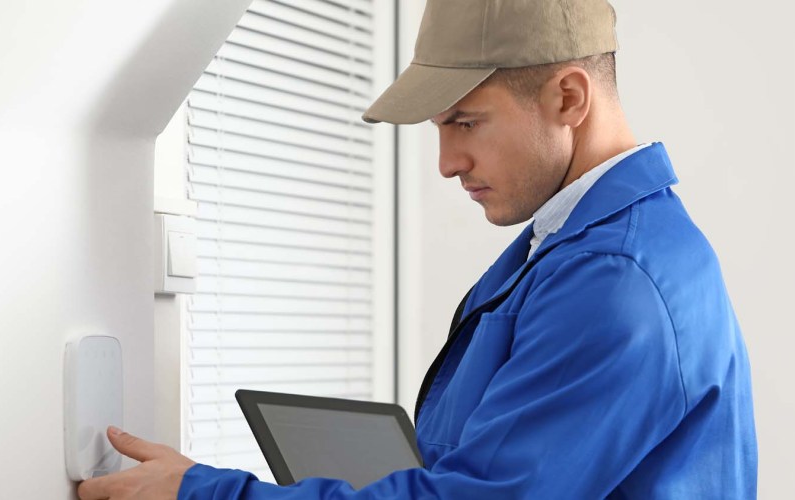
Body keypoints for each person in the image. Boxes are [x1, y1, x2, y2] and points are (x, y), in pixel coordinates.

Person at [78, 0, 758, 498]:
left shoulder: (613, 279)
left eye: (465, 121)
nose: (447, 161)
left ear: (568, 97)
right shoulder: (574, 245)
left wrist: (201, 493)